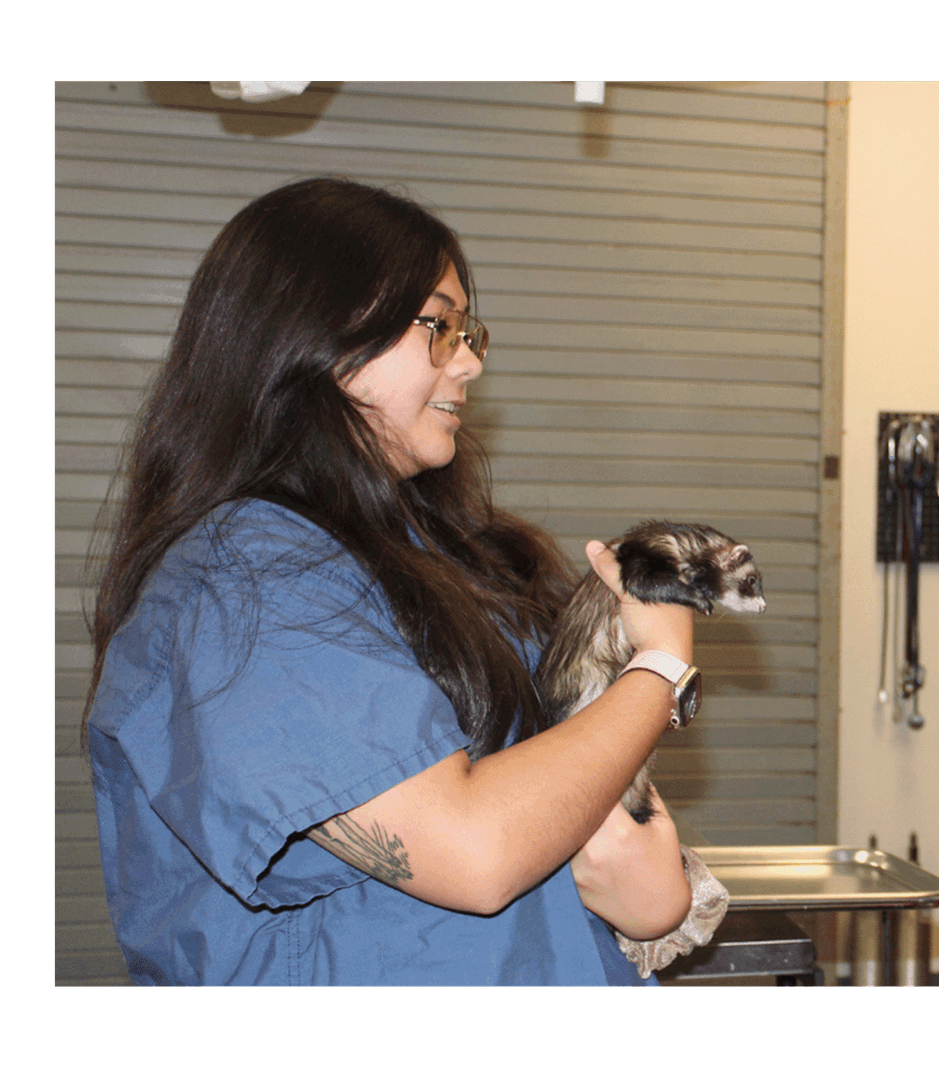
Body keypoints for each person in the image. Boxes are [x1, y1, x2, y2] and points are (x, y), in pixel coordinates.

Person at [84, 178, 697, 986]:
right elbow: (475, 850)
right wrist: (657, 668)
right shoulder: (245, 582)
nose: (471, 360)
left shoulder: (440, 556)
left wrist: (653, 891)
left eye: (468, 329)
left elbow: (568, 797)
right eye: (438, 326)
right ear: (318, 332)